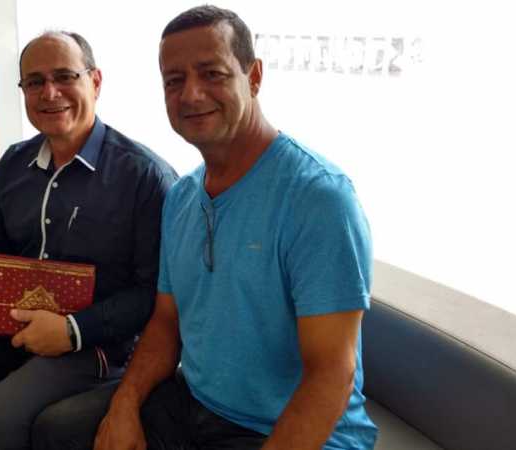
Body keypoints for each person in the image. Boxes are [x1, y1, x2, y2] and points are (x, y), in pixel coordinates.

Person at [32, 5, 378, 450]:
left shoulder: (317, 198)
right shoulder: (181, 197)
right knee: (58, 431)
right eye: (174, 80)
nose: (191, 94)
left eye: (212, 74)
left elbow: (331, 374)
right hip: (193, 405)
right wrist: (125, 405)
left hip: (278, 430)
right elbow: (165, 323)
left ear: (254, 76)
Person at [0, 30, 177, 450]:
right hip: (12, 327)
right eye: (35, 81)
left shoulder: (145, 177)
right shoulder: (12, 166)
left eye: (65, 76)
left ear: (95, 81)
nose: (50, 92)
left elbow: (155, 291)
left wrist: (73, 329)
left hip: (96, 345)